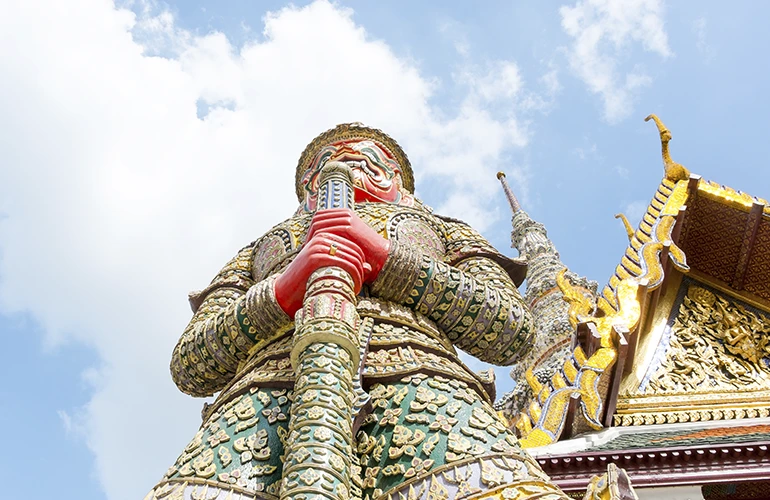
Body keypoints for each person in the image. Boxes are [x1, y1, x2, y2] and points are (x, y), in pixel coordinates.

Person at [145, 123, 568, 500]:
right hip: (257, 402)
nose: (345, 163)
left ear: (399, 182)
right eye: (326, 163)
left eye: (368, 158)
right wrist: (281, 291)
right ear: (310, 187)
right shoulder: (260, 249)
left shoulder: (445, 230)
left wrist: (387, 259)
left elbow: (512, 331)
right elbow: (190, 365)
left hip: (426, 390)